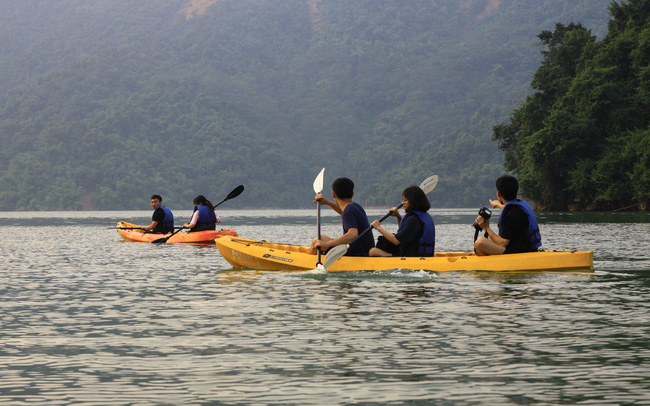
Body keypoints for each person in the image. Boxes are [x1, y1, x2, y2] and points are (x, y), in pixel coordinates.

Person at [474, 175, 542, 256]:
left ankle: (494, 264)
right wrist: (497, 204)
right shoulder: (518, 207)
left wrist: (486, 228)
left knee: (480, 243)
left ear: (498, 193)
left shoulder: (511, 215)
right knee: (487, 240)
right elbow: (508, 207)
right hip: (527, 247)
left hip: (520, 252)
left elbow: (502, 243)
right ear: (516, 192)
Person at [310, 177, 375, 257]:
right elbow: (344, 212)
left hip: (356, 253)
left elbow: (353, 235)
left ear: (333, 194)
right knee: (321, 238)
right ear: (352, 194)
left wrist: (327, 244)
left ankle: (309, 262)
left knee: (317, 240)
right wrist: (327, 202)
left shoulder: (348, 211)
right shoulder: (355, 207)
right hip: (366, 249)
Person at [369, 185, 435, 257]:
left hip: (412, 256)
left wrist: (378, 227)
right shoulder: (422, 216)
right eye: (403, 200)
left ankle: (391, 256)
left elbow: (396, 241)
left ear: (414, 201)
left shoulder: (413, 219)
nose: (403, 203)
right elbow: (404, 233)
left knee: (373, 252)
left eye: (405, 200)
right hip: (420, 254)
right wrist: (398, 216)